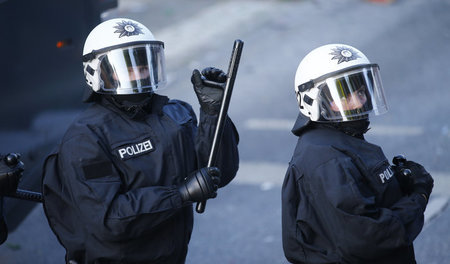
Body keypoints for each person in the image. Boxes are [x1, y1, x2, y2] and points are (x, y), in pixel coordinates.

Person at [42, 18, 239, 264]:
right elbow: (108, 219)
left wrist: (214, 114)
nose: (139, 72)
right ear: (97, 71)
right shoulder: (85, 138)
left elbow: (217, 174)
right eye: (127, 66)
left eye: (144, 62)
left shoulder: (176, 114)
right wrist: (179, 194)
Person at [282, 44, 433, 264]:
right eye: (343, 96)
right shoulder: (327, 159)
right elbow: (369, 238)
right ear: (313, 100)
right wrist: (417, 198)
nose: (358, 102)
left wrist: (397, 187)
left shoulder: (339, 139)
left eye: (360, 92)